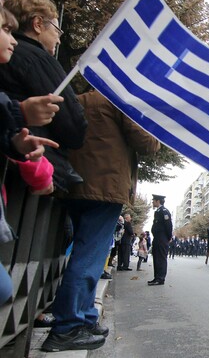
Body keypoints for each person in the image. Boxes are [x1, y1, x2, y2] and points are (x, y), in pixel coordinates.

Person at [40, 89, 159, 352]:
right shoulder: (118, 99)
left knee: (85, 254)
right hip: (104, 188)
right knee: (88, 257)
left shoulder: (79, 98)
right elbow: (148, 144)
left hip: (75, 184)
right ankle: (67, 327)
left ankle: (85, 318)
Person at [0, 0, 88, 193]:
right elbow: (73, 125)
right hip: (35, 175)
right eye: (57, 31)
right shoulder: (38, 59)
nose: (58, 40)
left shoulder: (9, 55)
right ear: (38, 24)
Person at [148, 194, 173, 286]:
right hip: (157, 238)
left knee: (161, 258)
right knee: (156, 258)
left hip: (162, 239)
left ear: (158, 201)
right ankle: (156, 277)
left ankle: (161, 278)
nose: (152, 202)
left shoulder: (164, 211)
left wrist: (169, 237)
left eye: (153, 200)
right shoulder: (158, 211)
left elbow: (169, 226)